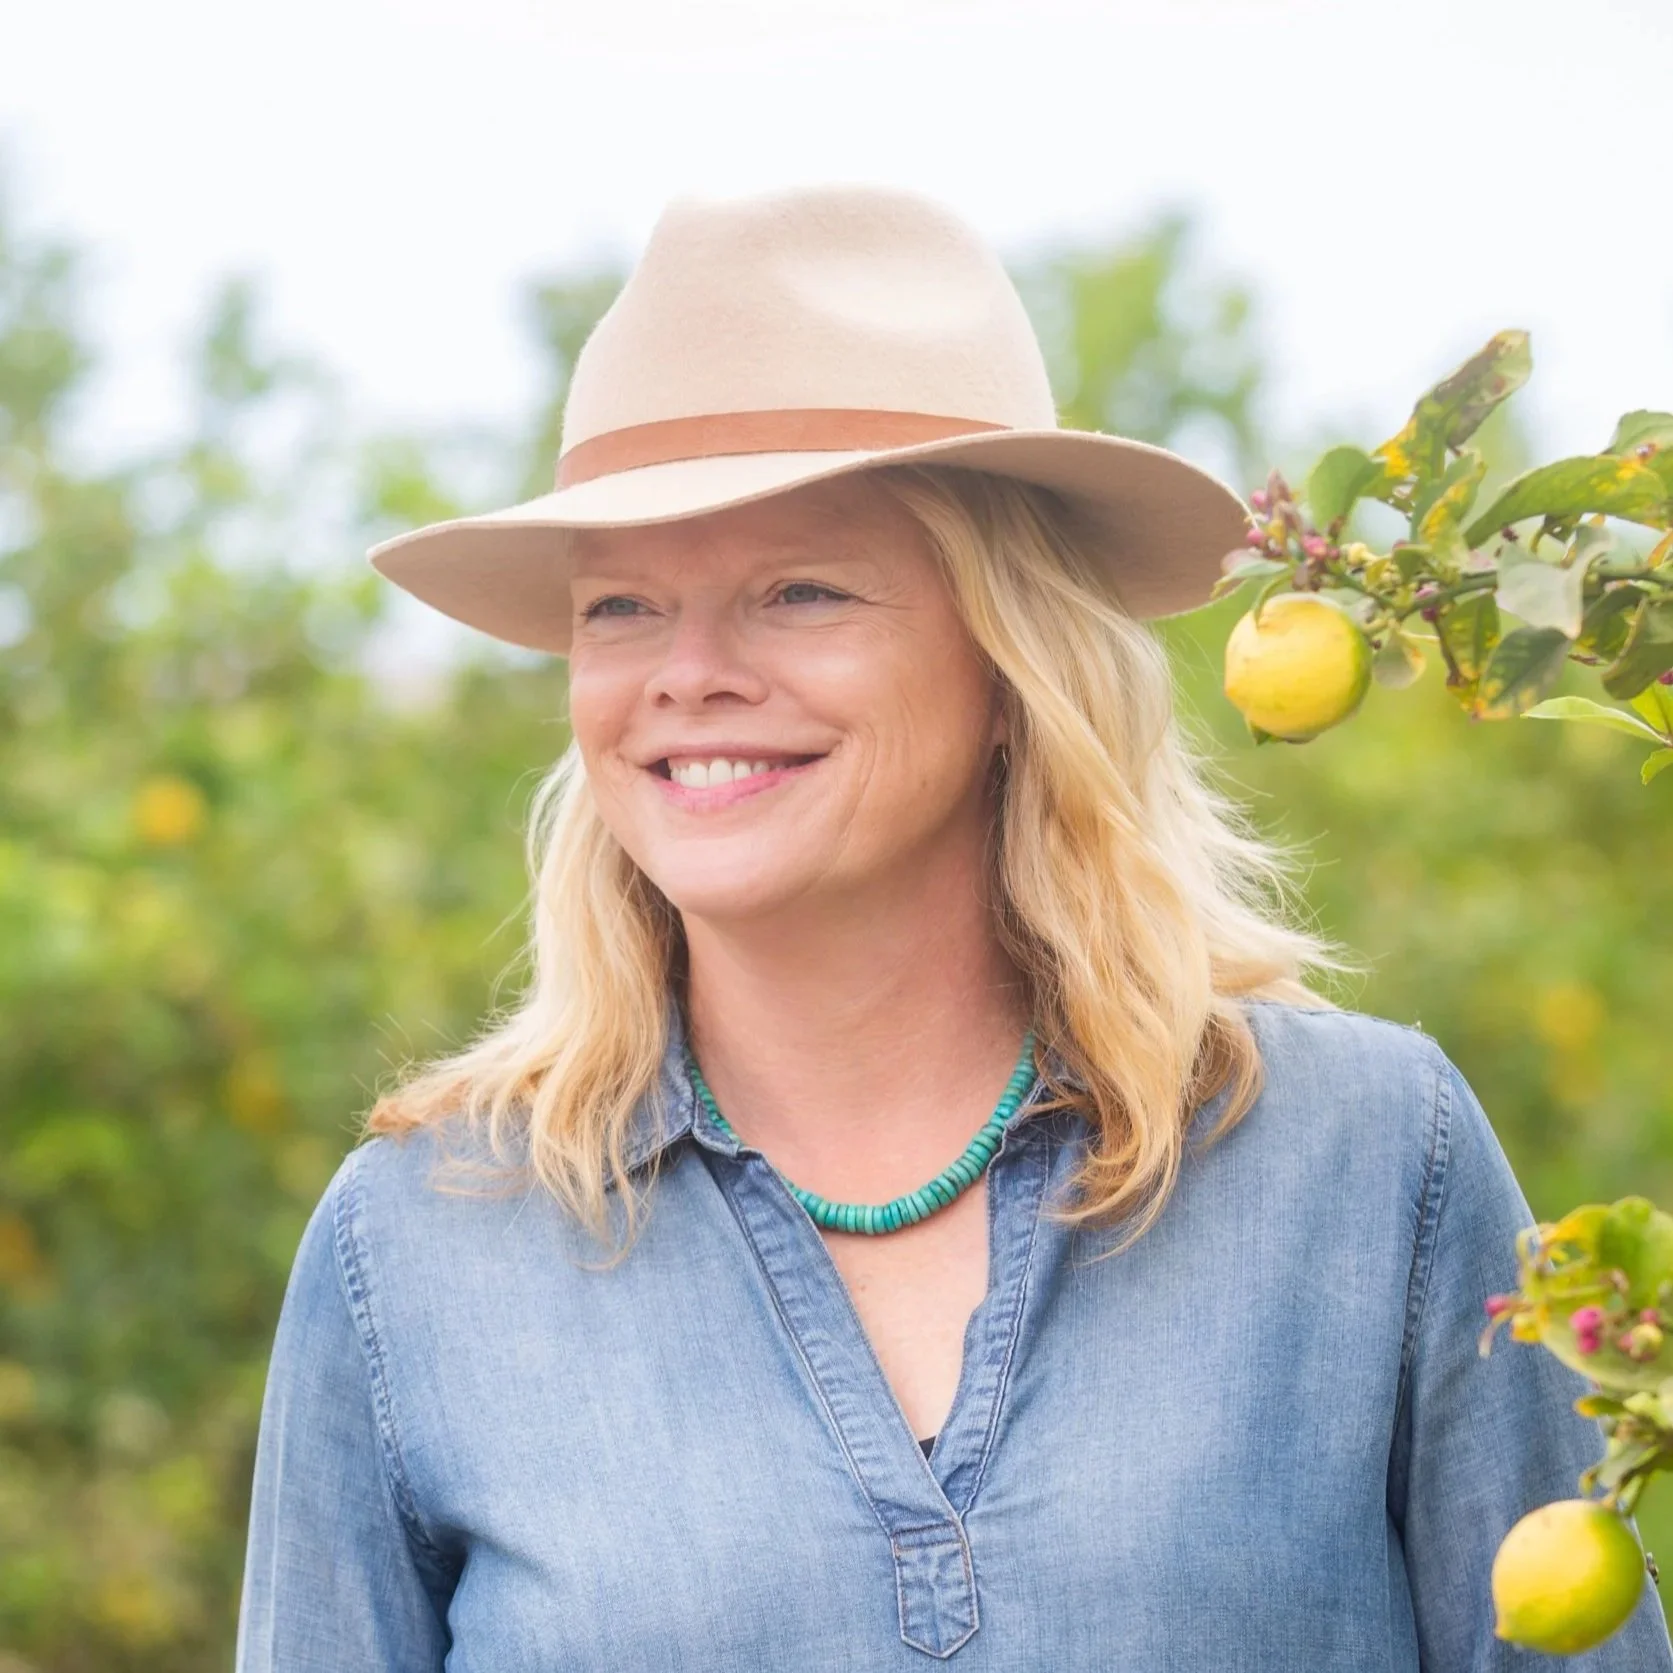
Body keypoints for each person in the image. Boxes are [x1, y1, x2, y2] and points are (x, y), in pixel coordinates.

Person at [234, 182, 1673, 1671]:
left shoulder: (1371, 1164)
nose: (690, 674)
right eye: (622, 608)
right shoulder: (419, 1249)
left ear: (1010, 660)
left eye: (800, 590)